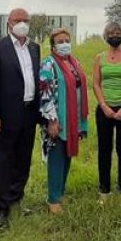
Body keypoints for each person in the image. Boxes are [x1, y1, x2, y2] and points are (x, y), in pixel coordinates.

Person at [0, 8, 42, 230]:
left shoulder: (35, 48)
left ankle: (16, 199)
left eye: (26, 20)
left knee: (22, 159)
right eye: (18, 20)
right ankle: (1, 209)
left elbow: (37, 80)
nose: (22, 24)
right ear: (9, 23)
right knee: (2, 162)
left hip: (29, 113)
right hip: (5, 115)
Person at [38, 28, 89, 214]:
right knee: (57, 157)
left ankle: (60, 193)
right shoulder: (48, 64)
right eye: (60, 41)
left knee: (67, 156)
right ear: (53, 45)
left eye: (67, 40)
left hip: (73, 119)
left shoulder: (75, 63)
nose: (64, 43)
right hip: (57, 120)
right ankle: (53, 200)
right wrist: (51, 120)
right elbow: (45, 93)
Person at [91, 21, 121, 201]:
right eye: (111, 33)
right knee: (104, 148)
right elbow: (96, 83)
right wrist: (104, 106)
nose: (114, 36)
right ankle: (104, 188)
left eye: (117, 33)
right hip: (104, 109)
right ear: (105, 36)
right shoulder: (99, 58)